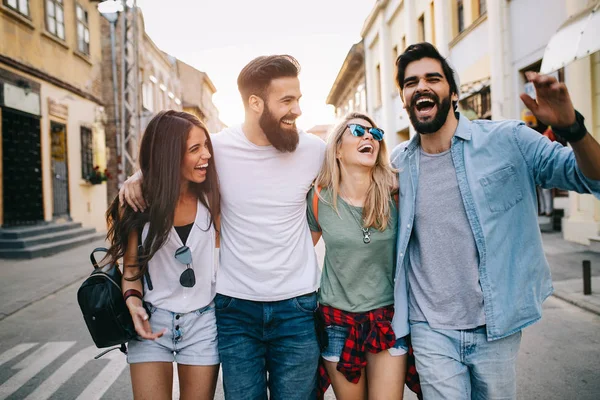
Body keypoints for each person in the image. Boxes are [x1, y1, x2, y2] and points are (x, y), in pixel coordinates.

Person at [390, 42, 600, 399]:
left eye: (433, 78)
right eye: (411, 82)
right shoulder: (398, 164)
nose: (421, 86)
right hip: (429, 326)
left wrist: (574, 129)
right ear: (404, 98)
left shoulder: (509, 139)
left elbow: (589, 178)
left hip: (494, 326)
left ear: (453, 93)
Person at [120, 55, 326, 399]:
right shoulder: (217, 149)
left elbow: (354, 173)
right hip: (235, 310)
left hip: (298, 308)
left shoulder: (315, 150)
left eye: (298, 99)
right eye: (287, 101)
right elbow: (174, 158)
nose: (298, 111)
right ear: (255, 103)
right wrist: (139, 178)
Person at [105, 110, 221, 399]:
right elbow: (131, 270)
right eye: (195, 149)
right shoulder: (137, 203)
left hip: (204, 323)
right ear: (170, 155)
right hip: (151, 322)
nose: (206, 154)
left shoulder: (213, 196)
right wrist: (133, 303)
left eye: (205, 145)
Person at [307, 113, 408, 400]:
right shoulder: (318, 199)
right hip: (337, 323)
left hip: (387, 319)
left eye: (375, 133)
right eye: (358, 131)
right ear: (337, 149)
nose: (369, 137)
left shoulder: (396, 194)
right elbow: (298, 254)